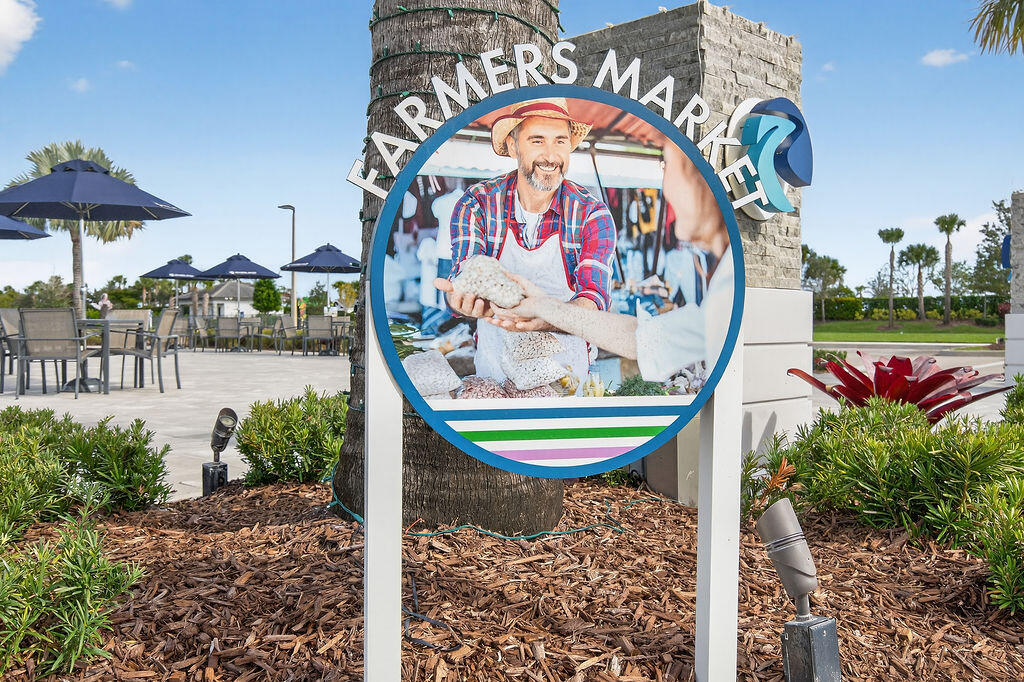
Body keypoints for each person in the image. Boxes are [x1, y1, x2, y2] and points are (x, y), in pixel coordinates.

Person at [487, 141, 733, 383]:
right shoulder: (723, 291)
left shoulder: (730, 284)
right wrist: (543, 306)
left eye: (666, 165)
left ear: (699, 178)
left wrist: (544, 309)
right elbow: (643, 339)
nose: (665, 187)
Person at [433, 97, 617, 384]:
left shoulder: (592, 213)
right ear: (512, 146)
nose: (551, 156)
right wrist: (459, 301)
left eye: (560, 141)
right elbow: (463, 276)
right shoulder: (477, 204)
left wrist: (545, 317)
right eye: (537, 140)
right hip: (495, 377)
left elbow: (594, 303)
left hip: (568, 379)